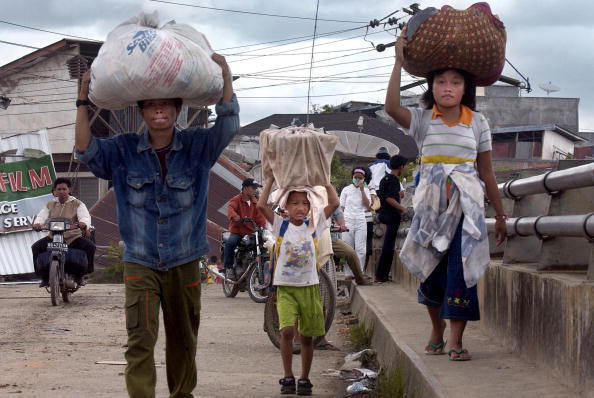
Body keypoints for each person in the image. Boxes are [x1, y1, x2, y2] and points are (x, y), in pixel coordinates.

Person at [74, 53, 238, 397]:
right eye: (151, 105)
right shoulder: (122, 150)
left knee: (183, 342)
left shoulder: (197, 146)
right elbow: (85, 148)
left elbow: (227, 125)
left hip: (185, 260)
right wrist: (82, 97)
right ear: (143, 111)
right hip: (141, 261)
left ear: (177, 109)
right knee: (139, 340)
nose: (159, 110)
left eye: (166, 104)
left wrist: (226, 78)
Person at [384, 26, 506, 361]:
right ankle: (437, 332)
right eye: (440, 82)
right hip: (430, 211)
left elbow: (487, 172)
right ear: (431, 88)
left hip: (467, 209)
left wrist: (500, 214)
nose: (447, 88)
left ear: (466, 89)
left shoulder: (478, 123)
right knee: (432, 271)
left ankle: (455, 340)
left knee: (461, 271)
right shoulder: (423, 120)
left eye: (455, 82)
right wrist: (397, 62)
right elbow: (392, 106)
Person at [257, 178, 339, 396]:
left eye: (304, 203)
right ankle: (288, 376)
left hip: (309, 287)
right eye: (294, 203)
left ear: (310, 207)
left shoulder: (314, 226)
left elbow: (334, 204)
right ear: (286, 207)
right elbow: (261, 205)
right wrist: (272, 181)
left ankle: (304, 378)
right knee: (286, 331)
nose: (300, 207)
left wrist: (325, 182)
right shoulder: (280, 225)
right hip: (285, 288)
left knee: (306, 337)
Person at [31, 177, 95, 287]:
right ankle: (44, 277)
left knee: (90, 246)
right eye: (59, 189)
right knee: (36, 247)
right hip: (53, 236)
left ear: (69, 189)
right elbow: (42, 216)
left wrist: (83, 223)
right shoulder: (50, 204)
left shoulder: (77, 203)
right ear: (55, 191)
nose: (61, 191)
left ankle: (81, 275)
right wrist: (37, 223)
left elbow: (84, 216)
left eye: (64, 189)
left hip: (72, 237)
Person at [374, 155, 408, 283]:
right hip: (391, 215)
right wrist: (403, 209)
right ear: (401, 166)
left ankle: (382, 274)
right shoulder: (393, 180)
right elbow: (389, 198)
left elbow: (385, 196)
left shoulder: (384, 179)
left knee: (387, 246)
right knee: (388, 247)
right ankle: (380, 275)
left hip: (383, 213)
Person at [224, 177, 266, 279]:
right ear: (245, 188)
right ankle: (228, 268)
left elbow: (260, 217)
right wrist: (235, 217)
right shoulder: (236, 199)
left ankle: (261, 269)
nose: (255, 190)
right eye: (253, 188)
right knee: (230, 243)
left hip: (251, 233)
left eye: (256, 188)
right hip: (238, 232)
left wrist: (263, 228)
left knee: (264, 246)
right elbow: (230, 208)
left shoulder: (255, 202)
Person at [339, 168, 371, 275]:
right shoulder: (346, 190)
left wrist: (362, 190)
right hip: (348, 220)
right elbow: (341, 207)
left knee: (361, 249)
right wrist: (342, 223)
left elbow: (368, 206)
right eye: (355, 177)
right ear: (352, 177)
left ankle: (359, 272)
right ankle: (348, 273)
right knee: (348, 247)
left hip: (361, 220)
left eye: (360, 178)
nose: (357, 179)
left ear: (364, 179)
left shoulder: (366, 190)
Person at [331, 207, 373, 286]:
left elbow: (338, 213)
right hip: (310, 238)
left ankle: (360, 279)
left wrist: (342, 225)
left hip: (330, 237)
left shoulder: (330, 200)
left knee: (350, 253)